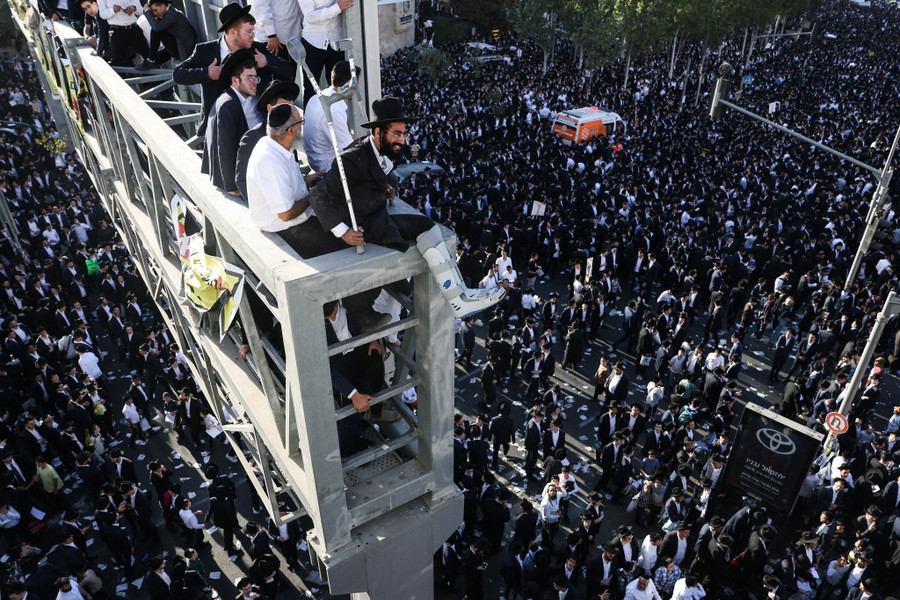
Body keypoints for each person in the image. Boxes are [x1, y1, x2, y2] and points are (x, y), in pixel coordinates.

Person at [308, 96, 505, 317]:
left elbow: (385, 175)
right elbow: (318, 195)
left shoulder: (379, 149)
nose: (402, 141)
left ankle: (461, 294)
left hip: (375, 214)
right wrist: (344, 232)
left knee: (427, 227)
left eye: (404, 134)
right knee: (425, 225)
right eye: (397, 134)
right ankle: (458, 298)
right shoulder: (351, 159)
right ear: (378, 132)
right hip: (363, 226)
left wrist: (387, 188)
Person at [172, 2, 295, 136]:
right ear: (233, 32)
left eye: (253, 31)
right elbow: (178, 74)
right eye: (249, 31)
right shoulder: (205, 51)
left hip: (259, 127)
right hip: (222, 129)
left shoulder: (257, 49)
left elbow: (288, 70)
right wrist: (208, 73)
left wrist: (266, 61)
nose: (253, 35)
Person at [201, 48, 260, 195]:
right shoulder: (228, 104)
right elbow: (225, 147)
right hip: (230, 183)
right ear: (235, 80)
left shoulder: (234, 99)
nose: (255, 82)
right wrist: (232, 186)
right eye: (249, 77)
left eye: (256, 78)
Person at [235, 79, 301, 200]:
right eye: (285, 107)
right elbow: (242, 180)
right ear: (270, 108)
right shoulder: (252, 138)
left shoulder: (290, 133)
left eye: (292, 107)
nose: (290, 114)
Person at [303, 60, 360, 171]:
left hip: (315, 158)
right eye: (356, 85)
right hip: (326, 165)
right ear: (348, 86)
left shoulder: (317, 97)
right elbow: (350, 148)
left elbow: (346, 137)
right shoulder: (335, 110)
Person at [297, 0, 354, 106]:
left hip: (336, 42)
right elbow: (311, 16)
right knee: (311, 90)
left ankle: (340, 120)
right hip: (313, 42)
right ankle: (311, 122)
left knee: (340, 87)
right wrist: (337, 8)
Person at [143, 0, 198, 64]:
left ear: (163, 5)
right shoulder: (169, 12)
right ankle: (152, 60)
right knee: (158, 29)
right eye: (153, 11)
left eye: (155, 10)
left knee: (157, 30)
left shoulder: (171, 14)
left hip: (185, 51)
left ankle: (151, 59)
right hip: (179, 46)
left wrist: (147, 11)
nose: (155, 13)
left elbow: (156, 27)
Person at [97, 0, 150, 67]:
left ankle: (158, 74)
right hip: (117, 31)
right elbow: (102, 14)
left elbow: (141, 10)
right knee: (116, 61)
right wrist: (113, 10)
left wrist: (134, 8)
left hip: (133, 28)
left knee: (148, 55)